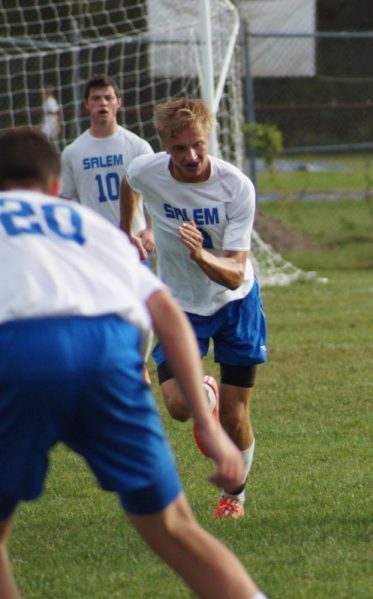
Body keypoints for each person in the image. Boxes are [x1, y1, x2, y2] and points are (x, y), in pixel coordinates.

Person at [0, 127, 265, 599]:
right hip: (107, 354)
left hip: (19, 354)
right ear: (57, 186)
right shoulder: (87, 227)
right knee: (175, 528)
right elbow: (163, 311)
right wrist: (209, 426)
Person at [119, 97, 267, 519]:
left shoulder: (235, 186)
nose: (192, 156)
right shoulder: (147, 170)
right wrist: (126, 232)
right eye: (180, 148)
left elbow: (236, 272)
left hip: (235, 303)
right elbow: (130, 183)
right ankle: (204, 391)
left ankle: (234, 498)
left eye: (198, 145)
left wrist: (201, 256)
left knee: (236, 416)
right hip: (179, 305)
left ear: (209, 139)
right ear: (164, 143)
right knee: (181, 408)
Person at [61, 74, 155, 257]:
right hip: (94, 246)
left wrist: (151, 230)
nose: (102, 103)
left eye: (108, 97)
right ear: (86, 104)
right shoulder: (73, 152)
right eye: (96, 98)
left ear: (118, 102)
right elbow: (65, 200)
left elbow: (155, 192)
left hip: (133, 244)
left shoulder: (138, 146)